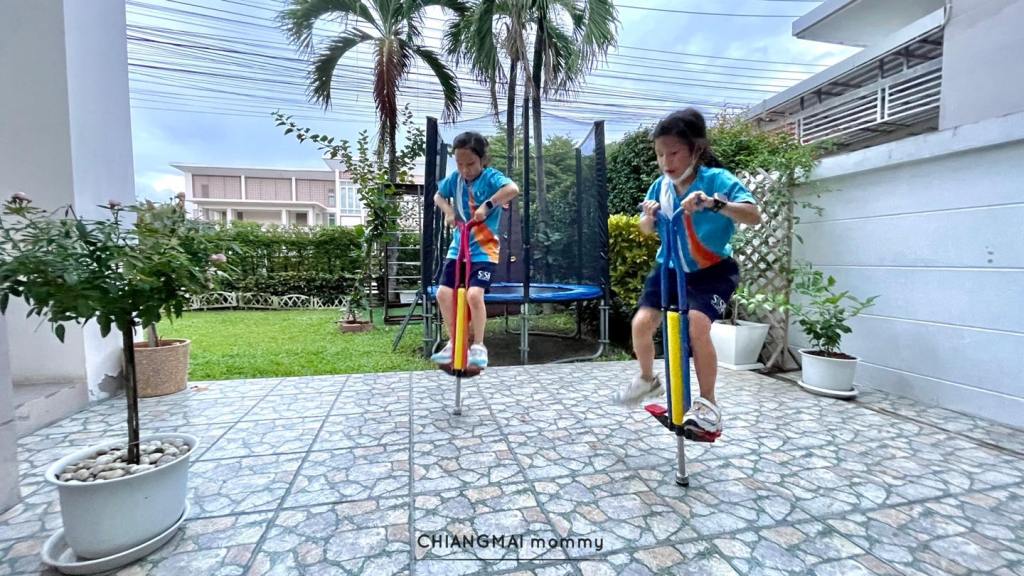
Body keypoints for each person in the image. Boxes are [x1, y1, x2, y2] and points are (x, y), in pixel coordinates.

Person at [613, 108, 761, 439]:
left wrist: (714, 204)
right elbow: (645, 228)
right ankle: (647, 379)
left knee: (696, 324)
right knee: (641, 323)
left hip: (713, 271)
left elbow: (753, 215)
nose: (666, 161)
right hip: (669, 267)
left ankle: (709, 405)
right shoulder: (660, 187)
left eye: (674, 152)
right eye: (660, 154)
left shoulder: (717, 181)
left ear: (695, 150)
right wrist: (649, 217)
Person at [431, 132, 520, 369]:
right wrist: (449, 212)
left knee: (473, 295)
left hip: (484, 249)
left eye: (470, 164)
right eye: (459, 164)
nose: (465, 170)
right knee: (443, 294)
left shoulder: (490, 177)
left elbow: (512, 189)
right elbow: (438, 196)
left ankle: (479, 345)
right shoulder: (455, 179)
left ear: (482, 159)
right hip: (458, 247)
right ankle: (454, 341)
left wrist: (487, 205)